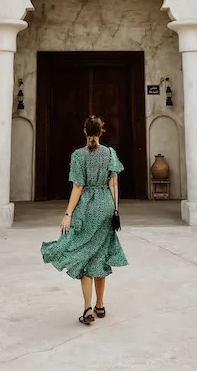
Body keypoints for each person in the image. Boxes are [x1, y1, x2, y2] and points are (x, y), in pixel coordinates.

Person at [41, 115, 128, 325]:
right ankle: (100, 305)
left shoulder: (78, 156)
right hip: (106, 206)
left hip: (86, 209)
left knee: (84, 255)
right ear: (101, 131)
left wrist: (68, 213)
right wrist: (115, 210)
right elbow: (114, 185)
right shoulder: (110, 154)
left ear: (85, 131)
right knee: (100, 254)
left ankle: (88, 308)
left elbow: (78, 187)